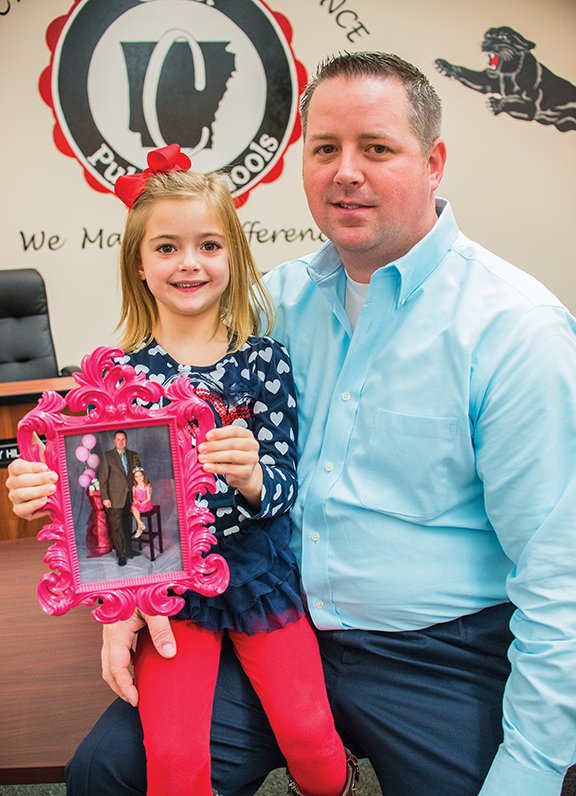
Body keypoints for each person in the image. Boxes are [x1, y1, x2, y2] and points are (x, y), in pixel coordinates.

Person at [7, 51, 576, 796]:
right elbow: (145, 444)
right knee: (110, 772)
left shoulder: (515, 332)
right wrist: (121, 594)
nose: (347, 171)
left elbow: (559, 578)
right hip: (266, 611)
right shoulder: (267, 307)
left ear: (433, 162)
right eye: (325, 149)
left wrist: (532, 769)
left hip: (438, 653)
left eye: (377, 148)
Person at [8, 144, 355, 796]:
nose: (189, 262)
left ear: (234, 258)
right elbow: (111, 516)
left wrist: (252, 478)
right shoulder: (119, 380)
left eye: (209, 245)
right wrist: (46, 495)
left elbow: (285, 484)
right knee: (171, 758)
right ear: (139, 264)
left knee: (313, 741)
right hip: (172, 595)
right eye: (166, 247)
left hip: (260, 575)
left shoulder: (264, 364)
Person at [98, 429, 142, 566]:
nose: (121, 442)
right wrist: (105, 497)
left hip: (130, 497)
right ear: (114, 441)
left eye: (123, 439)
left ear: (126, 441)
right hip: (114, 498)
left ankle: (128, 550)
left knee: (128, 525)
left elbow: (139, 475)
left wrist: (143, 490)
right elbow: (103, 479)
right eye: (118, 439)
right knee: (117, 528)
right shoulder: (108, 456)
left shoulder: (133, 455)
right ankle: (121, 555)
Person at [130, 466, 152, 538]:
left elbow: (149, 498)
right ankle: (140, 524)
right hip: (137, 504)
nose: (139, 478)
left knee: (134, 508)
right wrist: (136, 501)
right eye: (136, 477)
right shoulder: (134, 487)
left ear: (143, 476)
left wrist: (143, 502)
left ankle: (139, 528)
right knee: (133, 506)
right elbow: (133, 497)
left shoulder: (147, 486)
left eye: (140, 476)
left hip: (145, 504)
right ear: (134, 478)